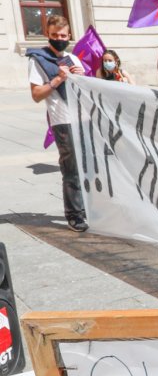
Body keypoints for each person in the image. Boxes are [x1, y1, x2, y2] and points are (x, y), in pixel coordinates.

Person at [27, 14, 87, 232]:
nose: (59, 39)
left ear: (69, 35)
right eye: (55, 35)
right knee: (71, 169)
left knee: (86, 167)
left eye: (63, 35)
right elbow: (36, 94)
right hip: (62, 120)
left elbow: (85, 90)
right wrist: (57, 79)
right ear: (48, 35)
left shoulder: (74, 59)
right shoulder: (38, 60)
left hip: (81, 120)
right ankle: (74, 215)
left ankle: (85, 207)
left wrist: (83, 76)